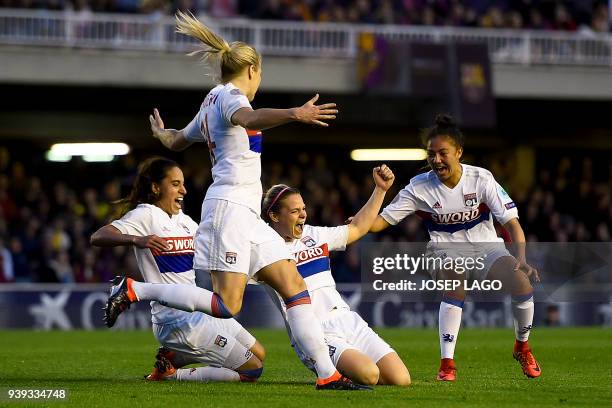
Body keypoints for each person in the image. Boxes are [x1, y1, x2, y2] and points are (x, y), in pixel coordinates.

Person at [140, 11, 366, 390]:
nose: (260, 81)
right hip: (229, 209)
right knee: (229, 305)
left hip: (246, 214)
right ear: (252, 69)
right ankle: (135, 290)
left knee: (294, 285)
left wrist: (163, 136)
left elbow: (180, 141)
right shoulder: (230, 97)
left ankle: (328, 375)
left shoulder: (211, 99)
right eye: (261, 74)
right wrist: (296, 112)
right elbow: (249, 116)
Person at [368, 114, 542, 381]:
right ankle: (447, 364)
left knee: (522, 284)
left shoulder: (481, 179)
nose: (436, 160)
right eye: (431, 154)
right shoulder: (418, 188)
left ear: (459, 152)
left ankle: (522, 346)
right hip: (443, 250)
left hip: (487, 249)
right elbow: (379, 223)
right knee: (455, 281)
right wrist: (362, 215)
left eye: (442, 153)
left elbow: (512, 224)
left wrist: (521, 258)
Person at [90, 157, 265, 383]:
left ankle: (172, 358)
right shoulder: (146, 214)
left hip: (200, 312)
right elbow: (98, 236)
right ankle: (173, 375)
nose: (183, 189)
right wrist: (136, 239)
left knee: (260, 353)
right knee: (251, 370)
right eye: (175, 184)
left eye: (182, 183)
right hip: (176, 321)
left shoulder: (184, 221)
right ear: (155, 187)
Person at [262, 165, 411, 386]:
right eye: (294, 211)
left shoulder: (316, 234)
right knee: (370, 374)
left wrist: (380, 190)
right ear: (274, 216)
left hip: (346, 319)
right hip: (315, 332)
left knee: (401, 379)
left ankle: (344, 367)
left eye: (303, 208)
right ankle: (327, 368)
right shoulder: (263, 249)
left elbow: (359, 228)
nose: (303, 214)